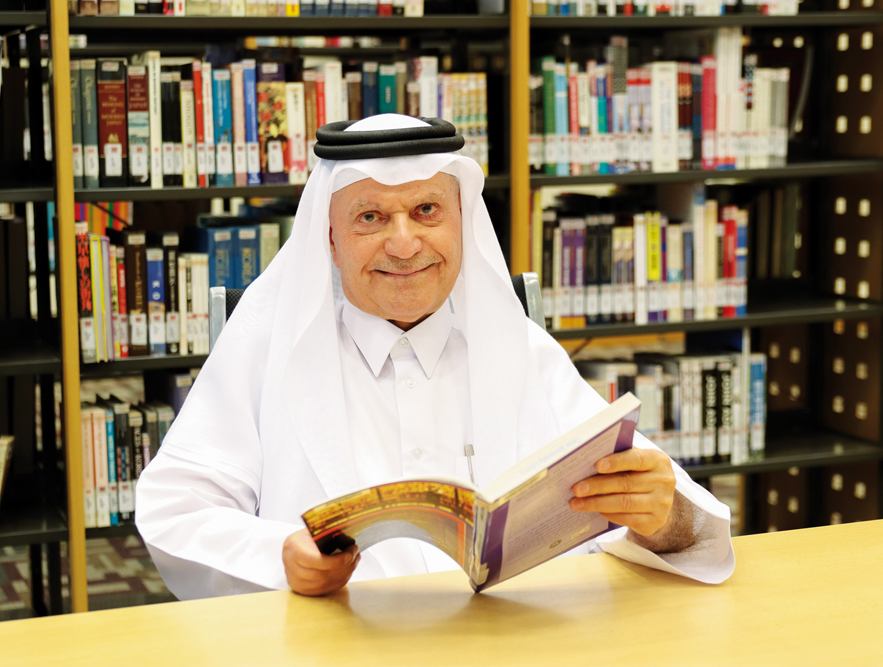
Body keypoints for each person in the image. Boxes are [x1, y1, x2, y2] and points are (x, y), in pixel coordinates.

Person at [135, 114, 735, 600]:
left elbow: (678, 513)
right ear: (330, 238)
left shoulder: (519, 349)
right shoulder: (268, 346)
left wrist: (663, 518)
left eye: (427, 211)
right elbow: (175, 511)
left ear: (461, 224)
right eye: (370, 217)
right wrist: (280, 558)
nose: (404, 243)